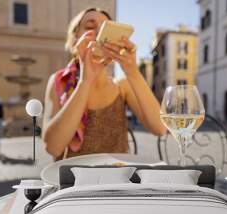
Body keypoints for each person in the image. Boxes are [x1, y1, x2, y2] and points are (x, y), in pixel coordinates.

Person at [42, 8, 166, 160]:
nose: (99, 32)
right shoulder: (59, 81)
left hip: (117, 178)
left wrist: (132, 71)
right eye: (90, 27)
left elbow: (160, 128)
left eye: (105, 28)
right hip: (72, 180)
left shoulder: (122, 86)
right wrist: (85, 82)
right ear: (75, 38)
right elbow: (53, 148)